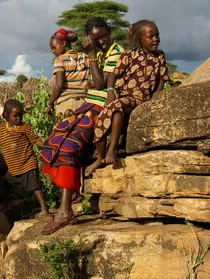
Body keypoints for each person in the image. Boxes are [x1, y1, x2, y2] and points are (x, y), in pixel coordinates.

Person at [85, 19, 170, 176]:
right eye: (151, 36)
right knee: (111, 113)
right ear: (140, 39)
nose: (156, 39)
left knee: (115, 107)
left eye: (157, 35)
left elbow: (162, 78)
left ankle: (112, 149)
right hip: (126, 97)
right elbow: (113, 75)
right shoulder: (129, 55)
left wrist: (156, 96)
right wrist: (110, 91)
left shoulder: (159, 56)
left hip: (142, 98)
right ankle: (102, 156)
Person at [0, 99, 49, 217]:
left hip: (27, 162)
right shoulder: (1, 130)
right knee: (7, 184)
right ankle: (5, 204)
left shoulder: (25, 128)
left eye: (20, 115)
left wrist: (46, 147)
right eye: (15, 116)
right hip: (13, 166)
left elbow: (35, 139)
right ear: (6, 115)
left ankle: (44, 209)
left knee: (34, 186)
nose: (18, 118)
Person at [82, 17, 124, 166]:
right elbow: (91, 82)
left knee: (78, 135)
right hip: (91, 100)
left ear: (109, 32)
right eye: (96, 39)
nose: (101, 42)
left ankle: (100, 158)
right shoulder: (100, 55)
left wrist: (91, 54)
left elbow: (99, 84)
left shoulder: (117, 52)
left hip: (103, 101)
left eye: (104, 36)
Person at [47, 29, 90, 120]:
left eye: (54, 47)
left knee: (64, 133)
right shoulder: (85, 57)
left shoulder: (60, 59)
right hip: (84, 105)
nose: (53, 51)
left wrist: (50, 103)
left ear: (64, 43)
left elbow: (59, 85)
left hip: (66, 105)